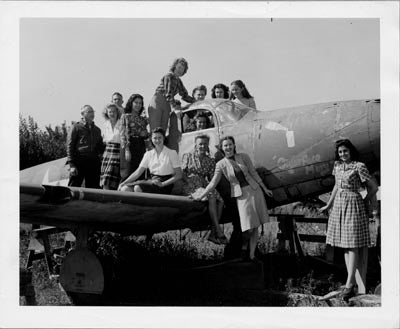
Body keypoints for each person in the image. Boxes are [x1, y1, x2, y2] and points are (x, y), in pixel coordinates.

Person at [193, 136, 273, 261]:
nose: (228, 147)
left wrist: (264, 188)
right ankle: (243, 249)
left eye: (230, 145)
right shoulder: (220, 164)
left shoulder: (244, 157)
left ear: (234, 145)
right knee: (248, 227)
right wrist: (202, 195)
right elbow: (213, 183)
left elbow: (253, 173)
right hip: (241, 196)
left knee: (256, 226)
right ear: (222, 148)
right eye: (225, 146)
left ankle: (252, 255)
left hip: (255, 191)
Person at [319, 139, 378, 301]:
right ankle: (350, 282)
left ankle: (349, 283)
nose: (342, 154)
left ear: (351, 151)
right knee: (345, 245)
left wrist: (365, 201)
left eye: (345, 151)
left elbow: (373, 187)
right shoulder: (337, 166)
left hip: (354, 204)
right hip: (339, 205)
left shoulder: (359, 166)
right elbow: (336, 186)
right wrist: (328, 205)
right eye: (340, 152)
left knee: (352, 245)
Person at [183, 135, 227, 244]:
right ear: (196, 145)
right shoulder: (188, 156)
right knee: (211, 196)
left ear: (208, 145)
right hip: (190, 184)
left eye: (205, 144)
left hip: (204, 184)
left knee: (220, 201)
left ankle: (213, 233)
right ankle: (218, 231)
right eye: (200, 144)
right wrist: (189, 181)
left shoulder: (210, 161)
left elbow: (212, 179)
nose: (202, 146)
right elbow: (182, 173)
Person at [119, 127, 182, 194]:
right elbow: (138, 172)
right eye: (155, 138)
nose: (157, 140)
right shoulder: (148, 154)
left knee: (137, 188)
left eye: (159, 137)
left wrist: (163, 184)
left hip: (165, 185)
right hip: (151, 181)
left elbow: (179, 175)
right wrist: (124, 183)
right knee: (125, 189)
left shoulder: (172, 153)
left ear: (164, 138)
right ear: (151, 139)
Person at [147, 58, 196, 132]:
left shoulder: (179, 82)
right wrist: (175, 108)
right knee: (155, 128)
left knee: (163, 129)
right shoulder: (168, 76)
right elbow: (168, 93)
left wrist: (196, 101)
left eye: (183, 69)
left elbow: (184, 95)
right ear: (174, 67)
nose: (180, 70)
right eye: (179, 67)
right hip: (158, 101)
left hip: (167, 103)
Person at [66, 105, 104, 188]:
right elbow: (69, 146)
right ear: (82, 114)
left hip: (93, 162)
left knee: (93, 188)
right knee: (74, 187)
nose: (92, 114)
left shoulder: (97, 130)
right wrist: (71, 164)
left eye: (93, 112)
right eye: (89, 112)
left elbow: (100, 147)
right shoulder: (76, 127)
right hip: (79, 161)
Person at [120, 94, 149, 181]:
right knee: (129, 171)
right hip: (130, 145)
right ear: (131, 103)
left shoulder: (143, 119)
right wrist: (127, 149)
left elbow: (146, 134)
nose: (138, 105)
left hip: (141, 145)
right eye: (136, 102)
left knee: (141, 169)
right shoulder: (125, 116)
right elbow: (123, 134)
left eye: (140, 103)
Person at [100, 103, 122, 190]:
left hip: (118, 151)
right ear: (107, 113)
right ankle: (104, 198)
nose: (112, 114)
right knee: (105, 177)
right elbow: (103, 140)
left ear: (117, 112)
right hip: (107, 152)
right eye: (110, 112)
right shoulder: (105, 125)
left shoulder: (122, 123)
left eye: (114, 111)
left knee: (114, 177)